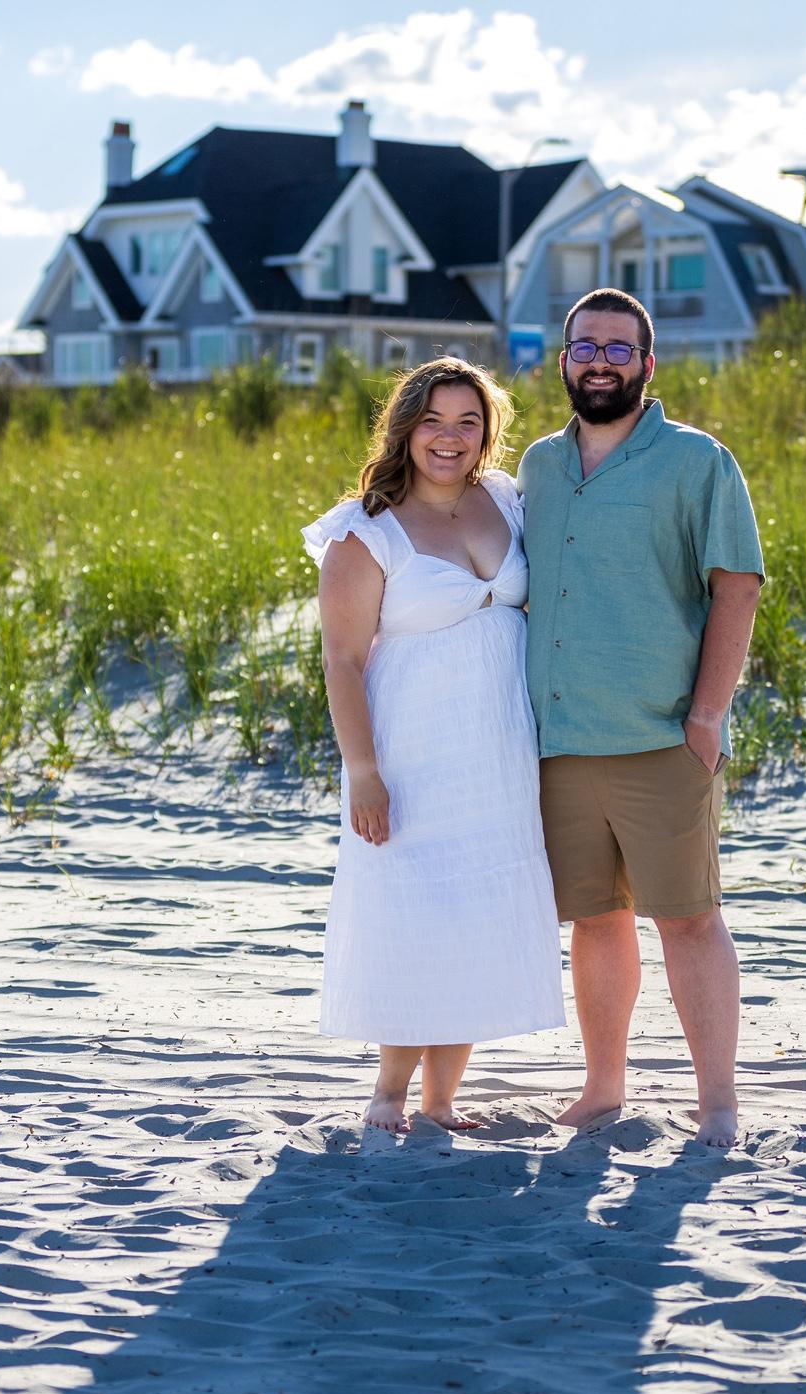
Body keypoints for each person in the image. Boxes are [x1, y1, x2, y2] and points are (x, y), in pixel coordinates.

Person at [519, 289, 765, 1149]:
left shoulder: (698, 461)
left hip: (663, 737)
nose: (600, 363)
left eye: (619, 349)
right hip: (559, 743)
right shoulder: (538, 467)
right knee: (596, 920)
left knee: (689, 919)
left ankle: (718, 1104)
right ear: (563, 362)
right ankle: (603, 1089)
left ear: (647, 365)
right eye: (585, 347)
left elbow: (738, 585)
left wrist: (707, 716)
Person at [304, 357, 565, 1134]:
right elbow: (342, 661)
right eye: (433, 421)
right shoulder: (366, 529)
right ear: (405, 428)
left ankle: (441, 1100)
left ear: (487, 432)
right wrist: (364, 772)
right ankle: (389, 1094)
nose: (449, 438)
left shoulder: (507, 500)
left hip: (499, 754)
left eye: (467, 422)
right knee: (414, 914)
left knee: (479, 914)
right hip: (410, 752)